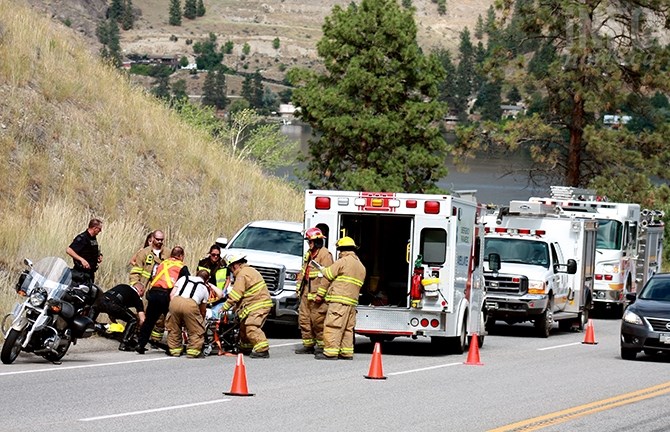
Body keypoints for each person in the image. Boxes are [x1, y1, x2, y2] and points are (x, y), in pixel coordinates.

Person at [315, 236, 366, 360]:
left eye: (340, 251)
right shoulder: (361, 266)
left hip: (339, 301)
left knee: (333, 325)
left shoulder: (343, 261)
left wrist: (322, 269)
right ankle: (346, 352)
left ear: (343, 250)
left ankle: (330, 353)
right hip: (352, 303)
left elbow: (329, 274)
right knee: (348, 328)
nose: (339, 253)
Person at [136, 246, 189, 354]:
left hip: (154, 293)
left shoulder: (163, 263)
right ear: (181, 256)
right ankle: (172, 348)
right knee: (172, 322)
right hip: (167, 295)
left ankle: (140, 344)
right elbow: (186, 283)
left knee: (149, 321)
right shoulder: (182, 266)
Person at [220, 253, 273, 358]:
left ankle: (262, 350)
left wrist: (224, 307)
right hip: (254, 304)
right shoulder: (248, 271)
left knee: (251, 326)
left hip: (258, 305)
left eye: (231, 268)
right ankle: (246, 347)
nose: (231, 271)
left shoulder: (242, 274)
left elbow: (236, 295)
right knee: (243, 327)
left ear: (235, 265)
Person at [295, 227, 333, 354]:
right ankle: (308, 345)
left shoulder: (325, 255)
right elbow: (303, 271)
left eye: (310, 242)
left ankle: (322, 346)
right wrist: (298, 288)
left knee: (318, 321)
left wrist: (321, 294)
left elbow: (328, 276)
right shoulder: (309, 255)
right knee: (304, 319)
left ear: (317, 242)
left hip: (318, 295)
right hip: (306, 292)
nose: (309, 244)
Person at [129, 230, 169, 345]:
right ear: (153, 239)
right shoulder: (144, 253)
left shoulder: (168, 253)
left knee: (161, 315)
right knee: (142, 311)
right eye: (157, 239)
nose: (160, 242)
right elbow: (136, 270)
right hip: (146, 287)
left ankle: (156, 340)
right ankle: (138, 336)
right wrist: (135, 284)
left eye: (162, 240)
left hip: (162, 288)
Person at [166, 270, 211, 358]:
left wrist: (174, 309)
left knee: (174, 327)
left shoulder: (183, 278)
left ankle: (174, 350)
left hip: (175, 301)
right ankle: (192, 352)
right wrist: (200, 321)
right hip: (191, 304)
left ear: (196, 274)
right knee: (196, 330)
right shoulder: (204, 288)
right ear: (207, 280)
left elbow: (172, 294)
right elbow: (202, 310)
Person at [96, 283, 146, 351]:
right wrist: (141, 331)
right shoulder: (136, 296)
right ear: (141, 290)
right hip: (113, 305)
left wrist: (112, 316)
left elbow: (112, 299)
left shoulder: (122, 286)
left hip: (99, 301)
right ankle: (124, 344)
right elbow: (142, 319)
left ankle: (91, 327)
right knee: (133, 320)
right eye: (143, 292)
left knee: (94, 312)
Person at [66, 218, 103, 285]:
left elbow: (91, 250)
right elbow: (69, 250)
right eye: (99, 229)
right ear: (94, 228)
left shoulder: (93, 238)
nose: (100, 231)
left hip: (90, 273)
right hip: (80, 273)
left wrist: (99, 256)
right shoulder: (83, 238)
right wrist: (82, 260)